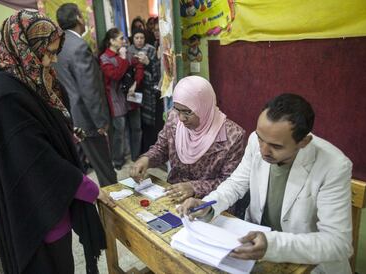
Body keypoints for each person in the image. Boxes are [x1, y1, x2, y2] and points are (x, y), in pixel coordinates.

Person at [0, 9, 115, 274]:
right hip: (38, 212)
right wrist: (89, 188)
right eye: (47, 53)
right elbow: (36, 161)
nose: (51, 61)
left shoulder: (11, 79)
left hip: (38, 204)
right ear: (26, 47)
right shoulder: (5, 95)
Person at [178, 93, 353, 274]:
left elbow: (338, 243)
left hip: (307, 263)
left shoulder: (334, 166)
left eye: (276, 146)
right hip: (253, 249)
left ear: (304, 142)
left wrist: (272, 244)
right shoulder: (257, 140)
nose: (263, 150)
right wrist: (209, 204)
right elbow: (236, 183)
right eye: (261, 138)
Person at [130, 76, 245, 203]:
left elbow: (230, 182)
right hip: (174, 195)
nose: (181, 118)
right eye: (177, 109)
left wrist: (194, 188)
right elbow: (162, 148)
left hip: (209, 204)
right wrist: (146, 159)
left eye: (187, 112)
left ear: (204, 106)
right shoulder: (174, 119)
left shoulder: (232, 135)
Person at [54, 3, 117, 186]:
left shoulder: (60, 45)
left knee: (87, 166)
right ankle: (115, 208)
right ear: (78, 18)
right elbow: (89, 89)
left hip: (72, 117)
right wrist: (101, 122)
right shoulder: (79, 46)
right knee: (106, 171)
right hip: (88, 119)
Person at [100, 28, 144, 169]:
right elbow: (116, 75)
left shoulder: (128, 52)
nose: (124, 41)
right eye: (120, 38)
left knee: (136, 128)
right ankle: (118, 161)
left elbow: (139, 66)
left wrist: (136, 83)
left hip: (131, 97)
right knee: (119, 131)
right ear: (111, 41)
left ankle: (136, 156)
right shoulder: (105, 58)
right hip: (116, 99)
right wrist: (123, 59)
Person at [127, 28, 163, 153]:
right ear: (133, 38)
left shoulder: (150, 49)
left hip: (148, 89)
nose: (139, 40)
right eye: (136, 38)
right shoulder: (129, 51)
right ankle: (138, 150)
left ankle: (150, 148)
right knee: (136, 121)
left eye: (141, 38)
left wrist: (149, 62)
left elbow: (157, 72)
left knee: (149, 121)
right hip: (133, 90)